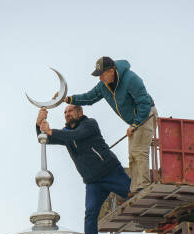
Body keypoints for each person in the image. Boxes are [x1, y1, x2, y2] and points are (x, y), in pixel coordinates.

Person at [64, 56, 158, 193]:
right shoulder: (104, 86)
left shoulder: (131, 79)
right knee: (132, 154)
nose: (100, 78)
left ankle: (142, 186)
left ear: (111, 71)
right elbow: (90, 97)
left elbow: (144, 103)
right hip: (134, 121)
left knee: (138, 150)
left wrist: (135, 124)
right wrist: (69, 99)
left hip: (146, 114)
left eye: (101, 74)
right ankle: (133, 188)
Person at [36, 105, 130, 234]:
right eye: (65, 112)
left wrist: (51, 131)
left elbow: (76, 135)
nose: (67, 114)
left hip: (111, 172)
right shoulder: (65, 133)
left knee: (134, 194)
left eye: (70, 111)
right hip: (93, 182)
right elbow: (44, 139)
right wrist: (38, 122)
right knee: (90, 214)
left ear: (80, 112)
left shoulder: (90, 124)